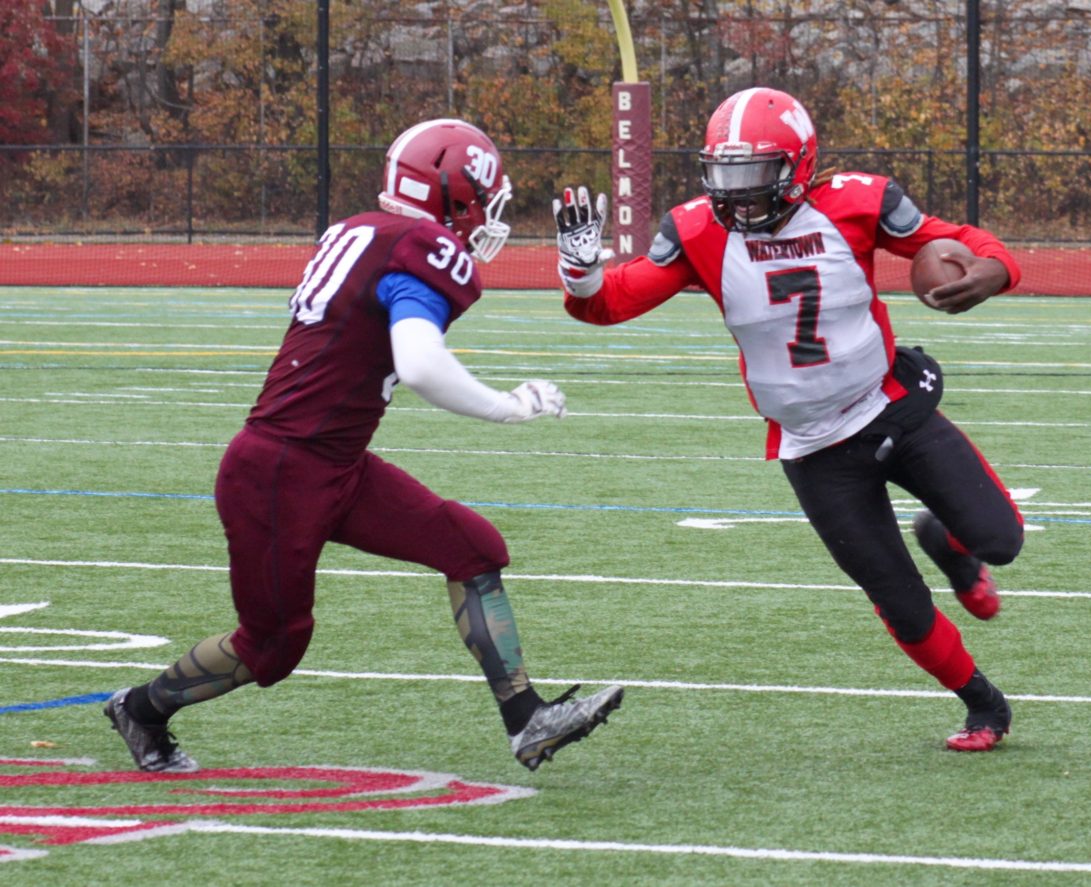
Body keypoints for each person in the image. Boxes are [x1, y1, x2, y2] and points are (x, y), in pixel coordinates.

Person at [105, 118, 623, 774]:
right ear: (456, 195)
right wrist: (508, 405)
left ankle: (527, 718)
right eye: (483, 201)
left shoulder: (359, 230)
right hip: (280, 472)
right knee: (272, 648)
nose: (487, 217)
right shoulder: (423, 246)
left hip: (334, 463)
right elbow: (419, 362)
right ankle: (142, 708)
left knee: (471, 546)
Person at [553, 88, 1023, 751]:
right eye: (726, 175)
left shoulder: (859, 202)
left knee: (1000, 539)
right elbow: (609, 303)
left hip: (889, 405)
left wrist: (994, 270)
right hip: (813, 446)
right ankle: (984, 705)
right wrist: (578, 272)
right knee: (899, 601)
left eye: (754, 176)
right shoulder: (695, 230)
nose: (739, 195)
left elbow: (959, 239)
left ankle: (950, 544)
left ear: (799, 166)